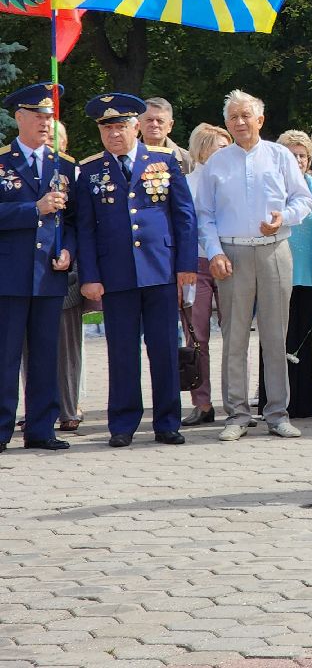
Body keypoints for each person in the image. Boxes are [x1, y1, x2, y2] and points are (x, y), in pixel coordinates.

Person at [191, 90, 312, 442]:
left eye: (246, 115)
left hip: (274, 250)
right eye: (233, 117)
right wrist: (214, 252)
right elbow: (205, 214)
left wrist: (283, 218)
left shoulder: (279, 156)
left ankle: (277, 413)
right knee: (234, 336)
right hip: (231, 255)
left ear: (260, 120)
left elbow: (305, 200)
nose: (240, 122)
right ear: (227, 123)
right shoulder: (216, 162)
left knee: (276, 335)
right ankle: (237, 414)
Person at [75, 93, 197, 448]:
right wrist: (90, 276)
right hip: (116, 275)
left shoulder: (163, 160)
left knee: (163, 349)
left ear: (135, 127)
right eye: (107, 128)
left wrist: (186, 265)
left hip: (160, 270)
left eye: (121, 126)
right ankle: (123, 424)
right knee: (122, 352)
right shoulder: (90, 170)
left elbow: (183, 215)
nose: (114, 134)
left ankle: (167, 422)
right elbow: (86, 228)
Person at [0, 83, 77, 453]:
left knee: (46, 355)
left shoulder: (65, 165)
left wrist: (69, 252)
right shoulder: (1, 162)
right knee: (5, 356)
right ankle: (1, 429)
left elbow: (77, 222)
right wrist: (34, 209)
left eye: (50, 117)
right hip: (10, 274)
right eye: (39, 116)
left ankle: (41, 428)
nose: (47, 123)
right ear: (19, 118)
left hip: (49, 274)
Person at [257, 130, 312, 420]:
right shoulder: (271, 189)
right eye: (291, 155)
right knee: (277, 338)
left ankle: (308, 401)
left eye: (302, 155)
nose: (298, 160)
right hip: (278, 273)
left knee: (309, 339)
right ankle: (273, 401)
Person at [180, 123, 232, 425]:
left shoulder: (232, 181)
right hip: (195, 266)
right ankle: (202, 402)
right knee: (196, 336)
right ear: (203, 149)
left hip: (229, 262)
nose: (227, 152)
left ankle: (235, 402)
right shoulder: (185, 182)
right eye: (220, 147)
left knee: (234, 334)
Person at [49, 119, 85, 432]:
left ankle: (69, 408)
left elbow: (78, 222)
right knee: (29, 348)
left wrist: (70, 252)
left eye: (57, 137)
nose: (50, 140)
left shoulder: (73, 173)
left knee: (67, 346)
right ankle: (39, 409)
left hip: (67, 272)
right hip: (29, 272)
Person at [140, 97, 194, 173]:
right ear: (139, 123)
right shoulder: (125, 156)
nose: (154, 124)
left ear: (170, 125)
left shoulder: (187, 161)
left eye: (160, 121)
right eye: (149, 120)